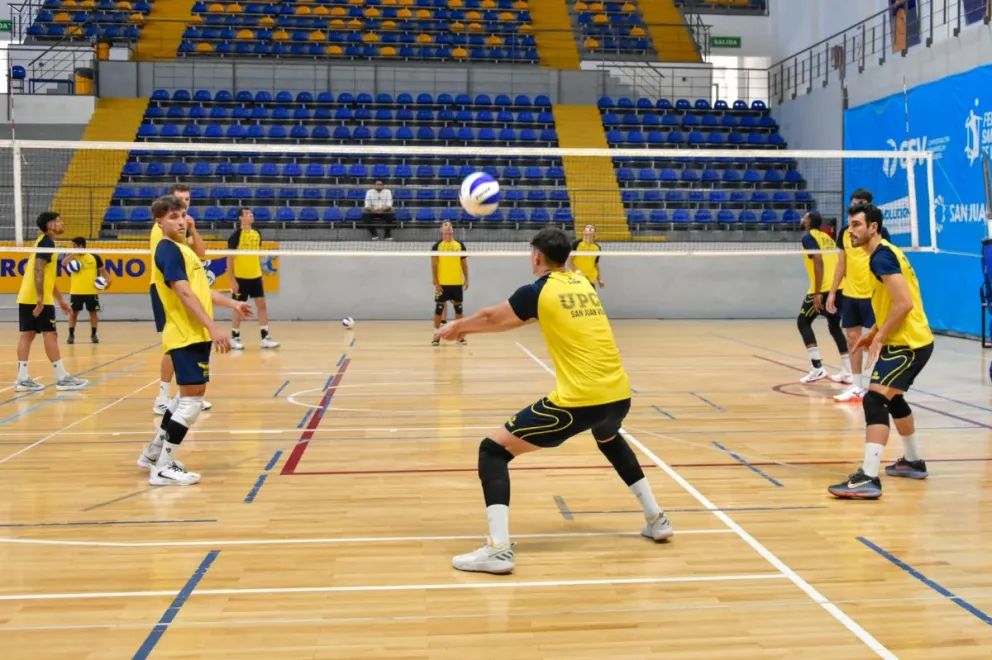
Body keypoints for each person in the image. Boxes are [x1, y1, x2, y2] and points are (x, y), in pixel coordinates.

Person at [435, 227, 672, 575]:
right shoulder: (583, 286)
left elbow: (493, 317)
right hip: (619, 394)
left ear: (536, 257)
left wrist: (458, 328)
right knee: (608, 437)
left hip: (580, 400)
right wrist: (467, 329)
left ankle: (498, 549)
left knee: (493, 450)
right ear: (570, 258)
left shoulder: (540, 290)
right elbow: (513, 320)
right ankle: (657, 519)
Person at [138, 195, 253, 486]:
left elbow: (201, 291)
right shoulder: (167, 250)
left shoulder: (183, 250)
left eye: (183, 215)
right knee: (192, 402)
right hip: (186, 334)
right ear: (159, 222)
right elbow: (184, 293)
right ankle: (164, 467)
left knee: (184, 399)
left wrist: (233, 305)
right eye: (173, 217)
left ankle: (153, 454)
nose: (180, 221)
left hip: (192, 334)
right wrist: (213, 327)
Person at [829, 203, 933, 499]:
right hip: (907, 340)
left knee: (874, 400)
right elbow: (894, 302)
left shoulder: (881, 258)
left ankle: (868, 477)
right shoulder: (883, 253)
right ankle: (913, 462)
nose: (851, 230)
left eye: (857, 225)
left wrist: (879, 337)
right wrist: (873, 333)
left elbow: (904, 304)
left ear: (873, 227)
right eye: (850, 225)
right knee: (893, 397)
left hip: (908, 344)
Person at [150, 184, 212, 415]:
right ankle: (163, 396)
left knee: (183, 340)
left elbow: (201, 253)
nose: (184, 204)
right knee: (174, 343)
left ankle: (184, 394)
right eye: (179, 200)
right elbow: (172, 265)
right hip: (167, 286)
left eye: (187, 200)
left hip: (182, 282)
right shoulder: (166, 232)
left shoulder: (182, 227)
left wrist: (192, 228)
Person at [827, 189, 893, 402]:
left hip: (873, 294)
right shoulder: (845, 233)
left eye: (862, 202)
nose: (858, 204)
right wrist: (832, 291)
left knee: (879, 340)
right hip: (851, 294)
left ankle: (883, 385)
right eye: (855, 201)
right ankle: (856, 386)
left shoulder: (879, 232)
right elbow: (841, 264)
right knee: (853, 339)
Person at [14, 212, 88, 392]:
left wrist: (61, 300)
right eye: (57, 221)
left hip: (29, 296)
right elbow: (38, 271)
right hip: (37, 298)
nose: (61, 223)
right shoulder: (46, 242)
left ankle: (22, 378)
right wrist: (40, 300)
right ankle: (62, 378)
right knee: (50, 334)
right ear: (49, 225)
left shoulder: (44, 242)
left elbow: (47, 276)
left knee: (28, 334)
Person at [796, 211, 852, 384]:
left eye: (804, 217)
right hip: (838, 287)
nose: (801, 219)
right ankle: (848, 371)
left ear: (809, 222)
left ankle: (817, 367)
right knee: (834, 327)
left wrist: (818, 293)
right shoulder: (827, 238)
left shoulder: (808, 238)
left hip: (823, 289)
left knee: (803, 322)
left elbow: (818, 262)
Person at [227, 208, 280, 350]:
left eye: (251, 213)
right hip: (240, 278)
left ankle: (265, 338)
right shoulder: (235, 236)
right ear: (240, 218)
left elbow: (256, 255)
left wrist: (261, 271)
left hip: (255, 276)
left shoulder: (257, 234)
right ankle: (235, 337)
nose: (251, 215)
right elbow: (230, 258)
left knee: (262, 305)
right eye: (247, 214)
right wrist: (232, 280)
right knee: (238, 308)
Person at [62, 237, 109, 345]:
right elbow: (64, 263)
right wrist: (74, 254)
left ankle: (93, 335)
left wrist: (108, 281)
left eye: (74, 246)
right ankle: (71, 335)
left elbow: (103, 271)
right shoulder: (72, 258)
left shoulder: (94, 257)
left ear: (81, 246)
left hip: (91, 292)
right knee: (73, 313)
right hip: (76, 291)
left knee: (93, 313)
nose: (72, 248)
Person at [431, 221, 468, 347]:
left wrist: (466, 279)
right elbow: (434, 265)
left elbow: (464, 264)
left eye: (450, 226)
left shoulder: (459, 245)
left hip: (456, 283)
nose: (448, 227)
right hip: (443, 283)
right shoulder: (437, 246)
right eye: (446, 225)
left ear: (452, 230)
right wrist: (436, 281)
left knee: (459, 309)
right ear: (442, 230)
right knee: (439, 309)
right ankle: (436, 335)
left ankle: (460, 336)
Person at [566, 224, 605, 288]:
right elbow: (569, 261)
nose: (589, 228)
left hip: (590, 279)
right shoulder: (576, 244)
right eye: (587, 227)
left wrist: (599, 279)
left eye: (592, 228)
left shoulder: (597, 248)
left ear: (594, 233)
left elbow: (596, 264)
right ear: (584, 232)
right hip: (576, 278)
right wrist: (577, 271)